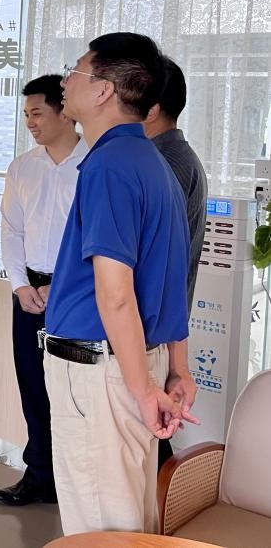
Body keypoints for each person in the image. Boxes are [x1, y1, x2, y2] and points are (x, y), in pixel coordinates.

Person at [44, 32, 198, 535]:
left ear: (104, 89)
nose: (65, 81)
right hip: (135, 363)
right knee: (128, 517)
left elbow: (115, 294)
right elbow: (173, 280)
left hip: (102, 371)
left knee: (100, 527)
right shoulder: (155, 165)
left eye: (74, 71)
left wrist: (143, 388)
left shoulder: (109, 166)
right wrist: (174, 369)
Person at [0, 75, 87, 507]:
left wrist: (61, 286)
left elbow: (94, 241)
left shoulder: (93, 164)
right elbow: (11, 230)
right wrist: (19, 284)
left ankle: (76, 482)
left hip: (78, 291)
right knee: (32, 382)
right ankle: (40, 475)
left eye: (37, 113)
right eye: (26, 114)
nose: (30, 122)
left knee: (76, 389)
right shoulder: (22, 167)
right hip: (29, 291)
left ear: (64, 112)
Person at [143, 55, 208, 470]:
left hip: (152, 334)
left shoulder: (164, 164)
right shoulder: (173, 157)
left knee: (147, 444)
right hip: (160, 331)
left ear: (150, 108)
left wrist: (177, 362)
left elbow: (158, 267)